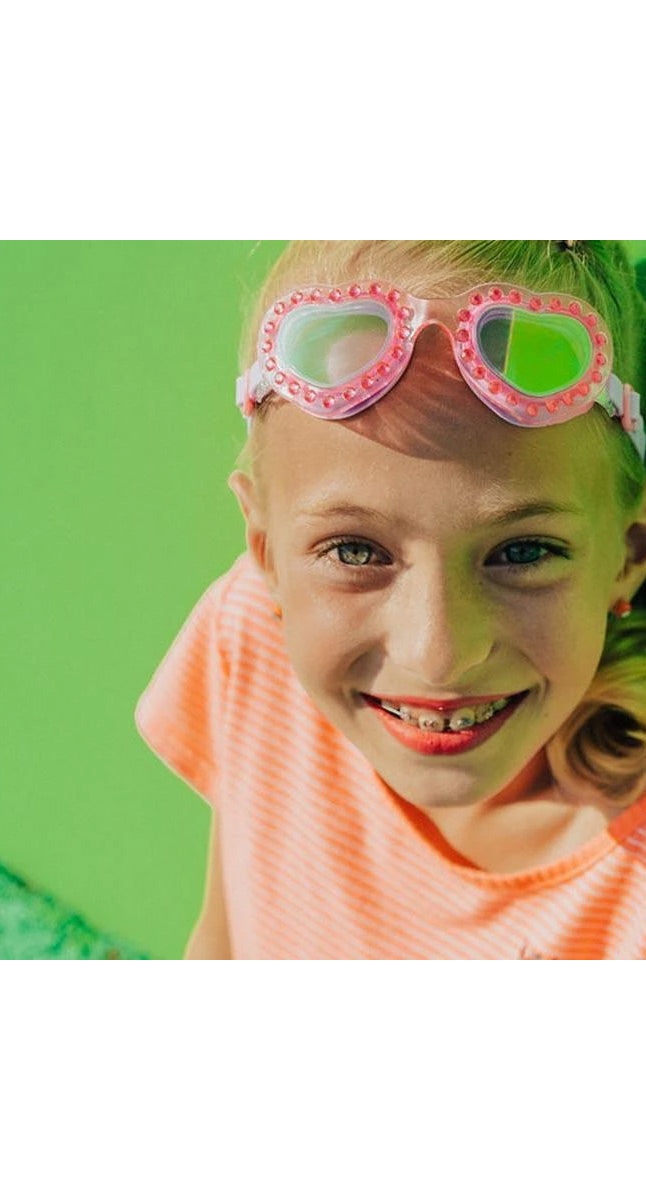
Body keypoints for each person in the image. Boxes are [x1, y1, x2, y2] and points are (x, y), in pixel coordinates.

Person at [134, 241, 646, 959]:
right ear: (266, 552)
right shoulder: (249, 638)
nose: (438, 656)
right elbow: (221, 942)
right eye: (355, 552)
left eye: (523, 552)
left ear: (629, 556)